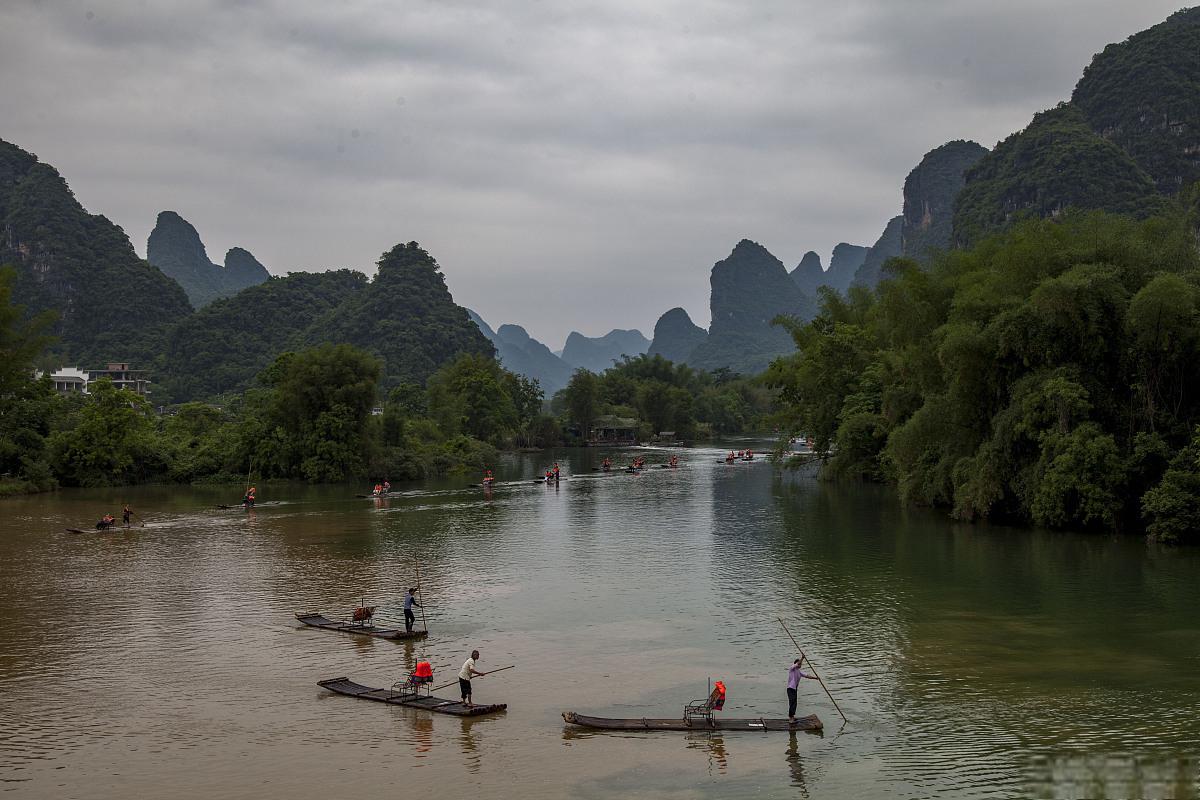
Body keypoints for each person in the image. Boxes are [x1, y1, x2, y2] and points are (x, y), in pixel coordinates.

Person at [787, 658, 818, 723]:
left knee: (795, 703)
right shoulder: (792, 669)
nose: (800, 664)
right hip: (790, 688)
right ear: (796, 664)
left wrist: (816, 678)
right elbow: (797, 664)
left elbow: (807, 676)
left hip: (794, 689)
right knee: (792, 702)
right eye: (799, 663)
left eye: (801, 664)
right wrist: (802, 658)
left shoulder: (799, 671)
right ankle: (790, 718)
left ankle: (792, 716)